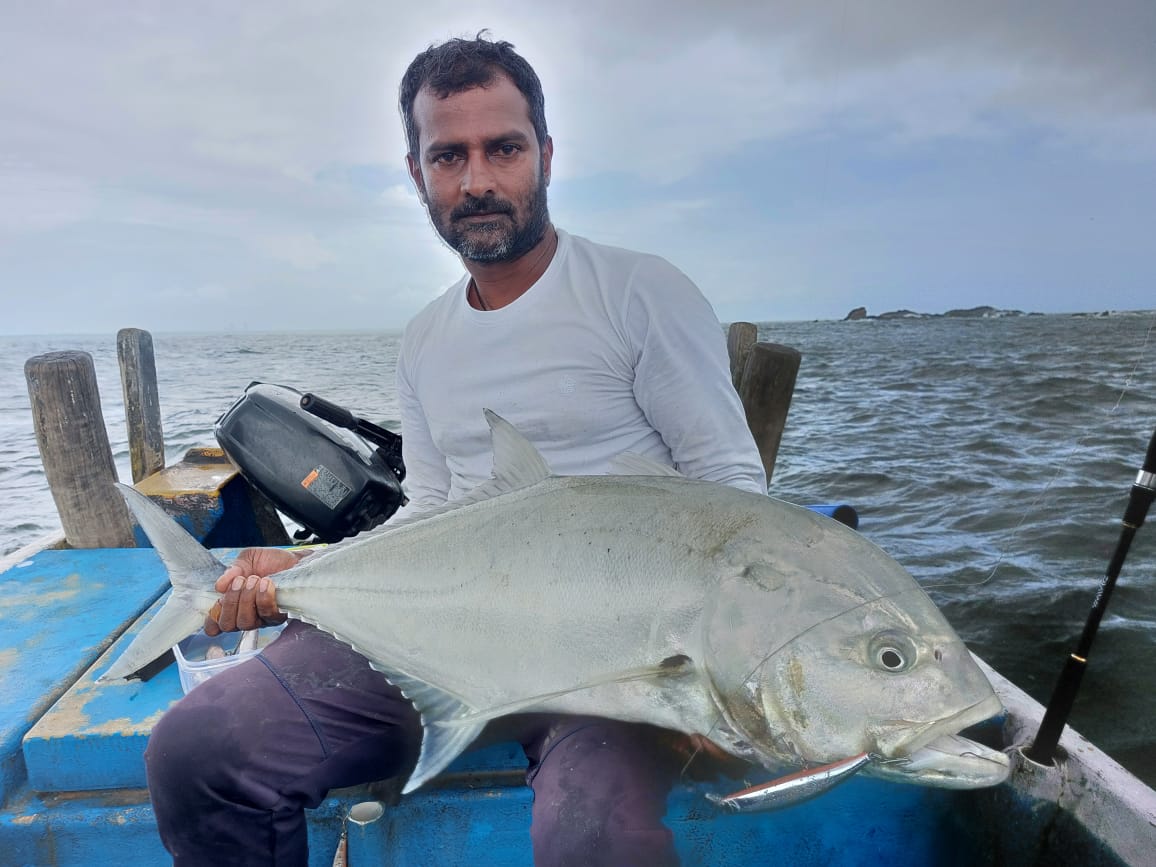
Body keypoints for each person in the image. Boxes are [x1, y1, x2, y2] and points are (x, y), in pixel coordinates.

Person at [144, 34, 767, 866]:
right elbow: (432, 511)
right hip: (438, 630)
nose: (477, 180)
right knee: (198, 750)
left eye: (503, 148)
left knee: (593, 835)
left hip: (622, 657)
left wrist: (728, 679)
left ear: (544, 154)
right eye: (449, 155)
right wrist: (295, 578)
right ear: (417, 173)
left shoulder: (637, 293)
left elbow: (731, 491)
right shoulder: (426, 339)